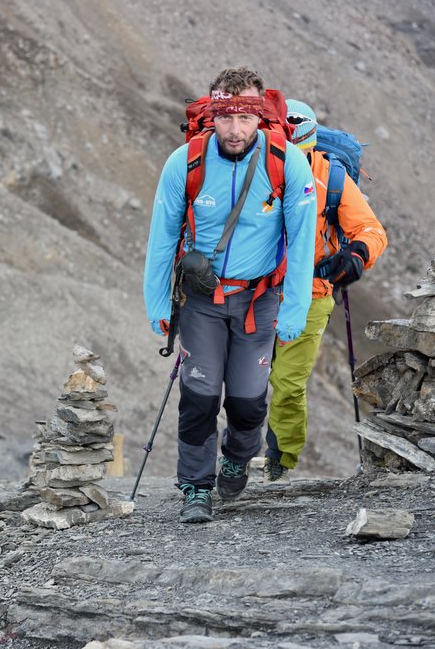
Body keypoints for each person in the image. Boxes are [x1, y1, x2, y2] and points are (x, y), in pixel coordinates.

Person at [143, 67, 317, 524]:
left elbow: (302, 242)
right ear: (212, 114)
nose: (235, 129)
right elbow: (162, 237)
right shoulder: (186, 162)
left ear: (261, 115)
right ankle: (196, 488)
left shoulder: (287, 162)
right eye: (225, 117)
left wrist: (295, 307)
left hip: (260, 301)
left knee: (247, 401)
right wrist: (158, 302)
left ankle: (238, 457)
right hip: (201, 301)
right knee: (198, 396)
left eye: (245, 117)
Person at [264, 100, 388, 483]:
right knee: (243, 381)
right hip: (254, 292)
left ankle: (278, 461)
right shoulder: (259, 172)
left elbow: (371, 230)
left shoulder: (332, 178)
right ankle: (237, 453)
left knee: (286, 383)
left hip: (313, 293)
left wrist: (356, 255)